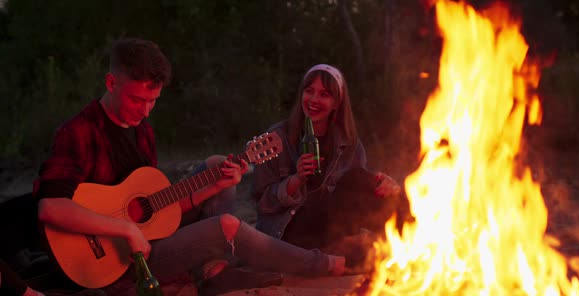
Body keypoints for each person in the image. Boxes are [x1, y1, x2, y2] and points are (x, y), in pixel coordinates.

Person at [33, 39, 345, 295]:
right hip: (117, 263)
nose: (144, 111)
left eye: (152, 101)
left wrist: (214, 186)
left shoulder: (141, 131)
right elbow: (51, 208)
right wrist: (124, 228)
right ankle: (324, 265)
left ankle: (213, 271)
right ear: (111, 82)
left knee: (218, 165)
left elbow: (156, 214)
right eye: (136, 100)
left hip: (147, 239)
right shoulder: (78, 132)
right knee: (227, 226)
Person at [253, 64, 412, 268]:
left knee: (361, 179)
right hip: (289, 232)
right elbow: (262, 204)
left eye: (324, 94)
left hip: (330, 228)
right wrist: (296, 180)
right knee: (358, 184)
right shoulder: (276, 139)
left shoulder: (348, 143)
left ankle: (413, 235)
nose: (314, 100)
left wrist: (383, 184)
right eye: (309, 91)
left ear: (337, 102)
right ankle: (345, 252)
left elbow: (357, 192)